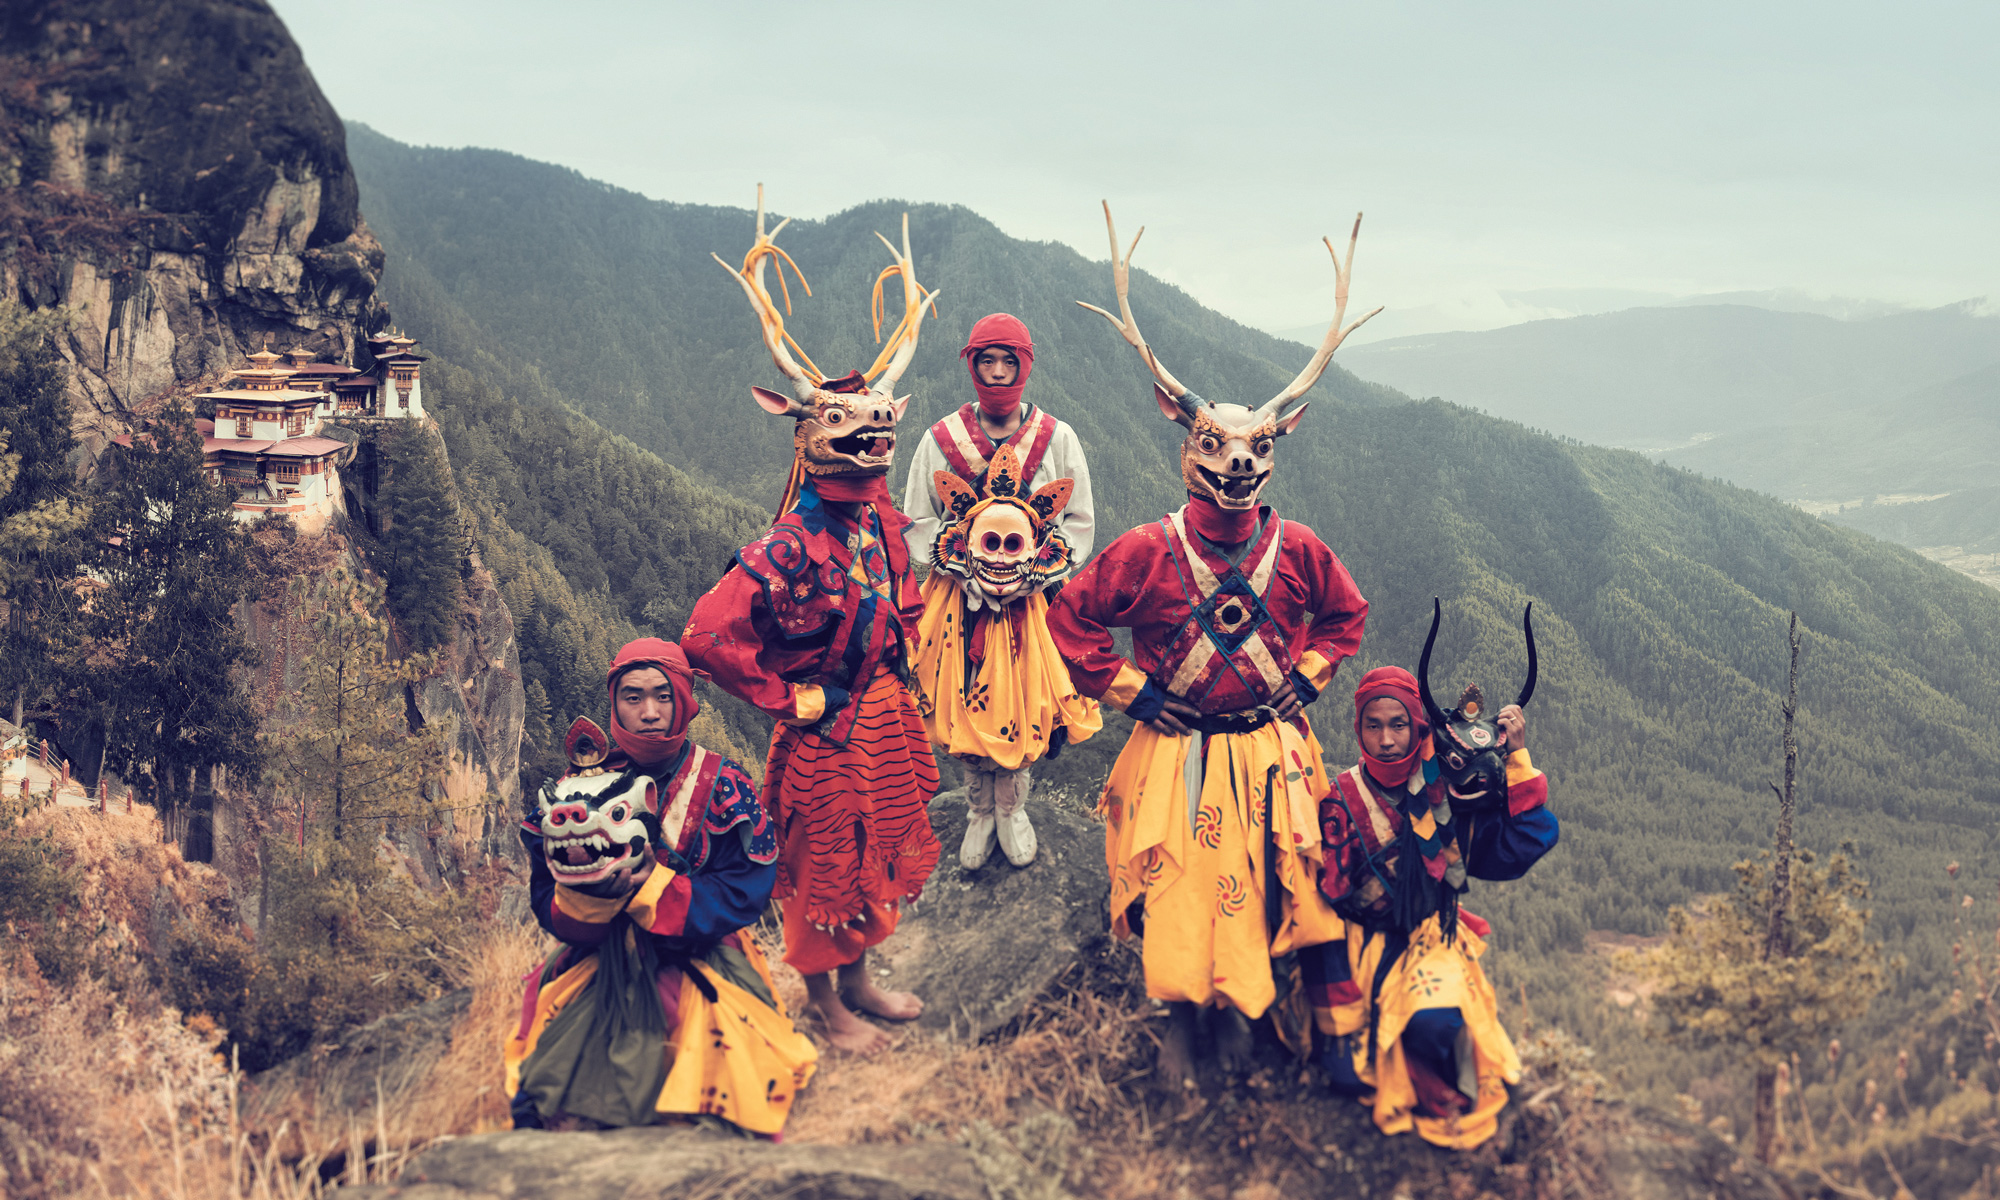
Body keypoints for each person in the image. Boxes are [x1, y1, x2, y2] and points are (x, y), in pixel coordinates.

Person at [1047, 202, 1375, 1087]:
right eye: (1219, 444)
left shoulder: (1298, 547)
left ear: (1278, 446)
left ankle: (1254, 1016)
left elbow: (1347, 616)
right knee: (1178, 883)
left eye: (1257, 446)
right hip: (1178, 745)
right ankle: (1185, 1024)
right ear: (1186, 439)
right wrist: (1131, 693)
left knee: (1289, 880)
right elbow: (1069, 616)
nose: (1237, 462)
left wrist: (1306, 681)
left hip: (1271, 743)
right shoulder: (1147, 549)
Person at [685, 195, 941, 1055]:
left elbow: (903, 603)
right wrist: (785, 696)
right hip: (825, 723)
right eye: (846, 424)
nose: (870, 436)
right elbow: (709, 637)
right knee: (825, 854)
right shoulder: (787, 545)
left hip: (881, 713)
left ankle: (861, 976)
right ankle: (825, 1003)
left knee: (875, 850)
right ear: (803, 431)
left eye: (877, 424)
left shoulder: (879, 525)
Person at [506, 638, 818, 1135]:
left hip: (699, 952)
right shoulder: (578, 787)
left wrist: (655, 887)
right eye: (633, 697)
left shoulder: (722, 782)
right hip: (602, 952)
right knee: (555, 1078)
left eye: (662, 695)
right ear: (615, 705)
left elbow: (748, 889)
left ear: (684, 700)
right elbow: (546, 890)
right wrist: (591, 897)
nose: (649, 712)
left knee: (713, 1058)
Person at [1303, 664, 1558, 1150]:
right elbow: (1325, 899)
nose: (1385, 739)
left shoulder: (1451, 797)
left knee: (1435, 1023)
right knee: (1344, 1071)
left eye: (1398, 724)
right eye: (1372, 725)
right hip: (1359, 941)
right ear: (1357, 729)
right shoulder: (1340, 797)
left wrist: (1519, 756)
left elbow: (1527, 842)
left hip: (1429, 936)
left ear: (1419, 727)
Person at [902, 314, 1095, 866]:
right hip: (958, 596)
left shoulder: (1057, 439)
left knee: (1023, 696)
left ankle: (1011, 807)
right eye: (986, 360)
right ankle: (977, 809)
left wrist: (1033, 572)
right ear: (970, 364)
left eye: (1008, 360)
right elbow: (918, 518)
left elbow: (1078, 521)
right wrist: (967, 566)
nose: (997, 372)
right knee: (962, 695)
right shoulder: (940, 440)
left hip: (1032, 597)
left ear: (1026, 364)